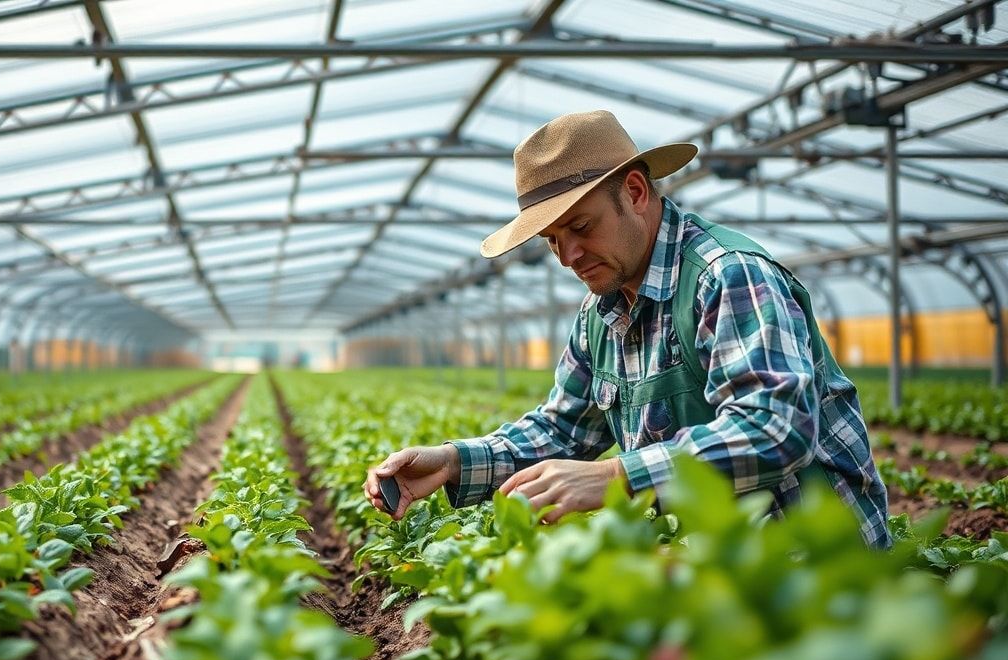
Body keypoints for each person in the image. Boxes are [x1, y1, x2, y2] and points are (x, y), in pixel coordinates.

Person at [363, 110, 891, 549]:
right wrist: (454, 462)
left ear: (635, 191)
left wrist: (617, 476)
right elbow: (563, 432)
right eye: (551, 240)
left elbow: (777, 430)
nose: (569, 256)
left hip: (817, 569)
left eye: (581, 227)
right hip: (719, 566)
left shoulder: (727, 275)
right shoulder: (601, 316)